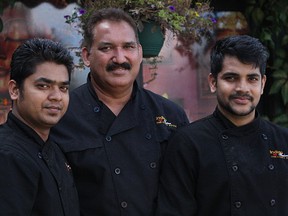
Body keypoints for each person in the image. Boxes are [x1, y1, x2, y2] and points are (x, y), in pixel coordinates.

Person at [50, 7, 189, 216]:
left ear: (140, 53)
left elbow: (183, 195)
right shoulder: (61, 115)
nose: (119, 58)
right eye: (107, 48)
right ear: (87, 56)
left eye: (128, 47)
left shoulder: (171, 116)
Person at [156, 35, 288, 216]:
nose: (242, 88)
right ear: (213, 82)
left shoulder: (283, 141)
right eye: (231, 78)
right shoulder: (188, 143)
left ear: (263, 84)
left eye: (252, 79)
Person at [0, 38, 80, 216]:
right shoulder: (7, 156)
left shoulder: (53, 148)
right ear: (14, 90)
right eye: (43, 86)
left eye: (63, 88)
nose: (56, 97)